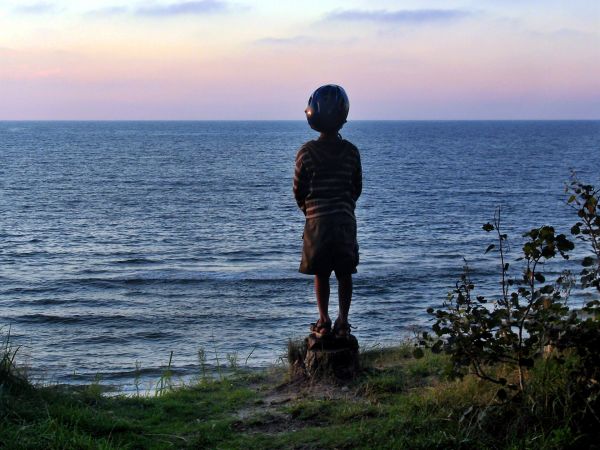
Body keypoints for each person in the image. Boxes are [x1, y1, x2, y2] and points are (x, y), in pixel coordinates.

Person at [293, 84, 362, 339]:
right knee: (345, 273)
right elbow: (356, 187)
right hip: (344, 220)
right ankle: (343, 321)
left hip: (317, 222)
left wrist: (310, 211)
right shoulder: (351, 152)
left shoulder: (306, 152)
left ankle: (323, 320)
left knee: (321, 273)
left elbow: (299, 190)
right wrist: (343, 207)